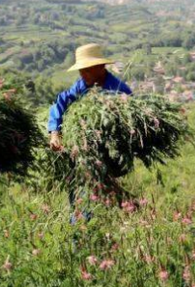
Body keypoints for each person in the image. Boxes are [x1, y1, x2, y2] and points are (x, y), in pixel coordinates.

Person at [48, 43, 132, 225]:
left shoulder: (119, 91)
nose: (82, 74)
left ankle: (88, 235)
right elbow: (61, 102)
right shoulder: (82, 85)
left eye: (86, 70)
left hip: (105, 157)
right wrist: (54, 132)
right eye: (81, 70)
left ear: (101, 67)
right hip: (79, 154)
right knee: (79, 196)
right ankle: (81, 233)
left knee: (92, 199)